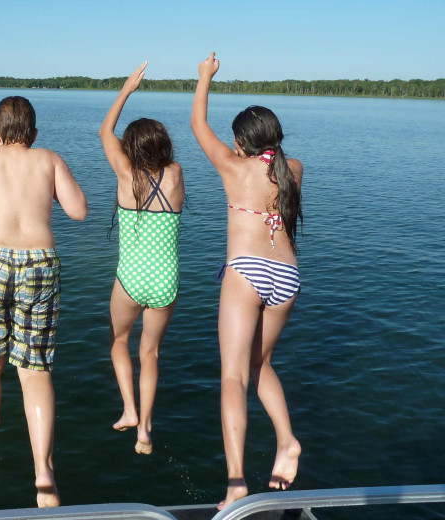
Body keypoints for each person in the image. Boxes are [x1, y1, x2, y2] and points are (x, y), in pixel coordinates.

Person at [0, 96, 87, 507]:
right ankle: (44, 474)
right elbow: (79, 211)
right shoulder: (49, 159)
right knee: (35, 371)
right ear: (34, 134)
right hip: (40, 265)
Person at [191, 52, 303, 509]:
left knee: (234, 376)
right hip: (288, 275)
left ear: (242, 142)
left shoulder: (234, 168)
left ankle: (236, 481)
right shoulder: (293, 170)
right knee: (261, 366)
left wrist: (204, 78)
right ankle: (287, 440)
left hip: (247, 273)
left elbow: (198, 125)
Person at [99, 62, 185, 456]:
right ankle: (145, 430)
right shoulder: (176, 174)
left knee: (120, 341)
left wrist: (126, 90)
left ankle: (130, 410)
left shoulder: (124, 174)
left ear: (131, 149)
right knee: (149, 353)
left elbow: (105, 132)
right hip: (165, 280)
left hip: (130, 277)